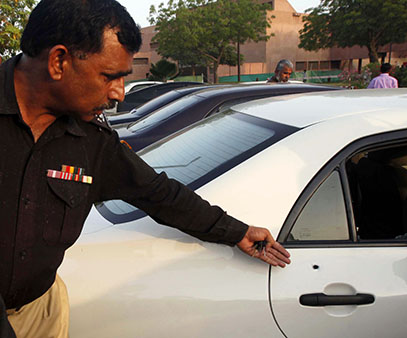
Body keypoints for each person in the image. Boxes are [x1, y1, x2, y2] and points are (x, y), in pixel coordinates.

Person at [0, 1, 291, 337]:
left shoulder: (90, 140)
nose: (119, 94)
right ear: (59, 61)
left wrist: (235, 231)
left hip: (38, 312)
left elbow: (158, 193)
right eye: (109, 76)